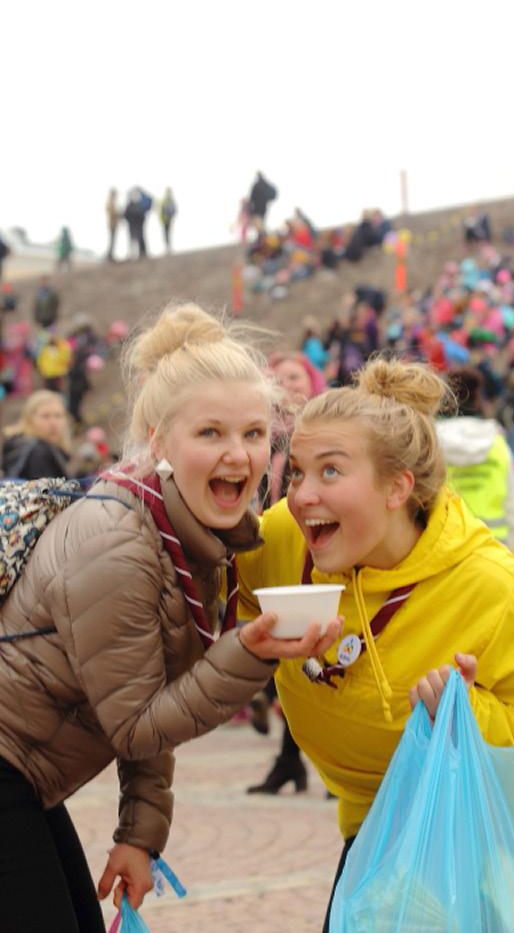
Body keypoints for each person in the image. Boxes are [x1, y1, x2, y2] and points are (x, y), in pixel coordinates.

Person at [0, 303, 342, 933]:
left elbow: (150, 693)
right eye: (210, 434)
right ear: (159, 440)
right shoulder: (120, 544)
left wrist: (139, 835)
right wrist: (251, 652)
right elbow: (138, 725)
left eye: (253, 433)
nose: (238, 455)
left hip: (24, 774)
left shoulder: (182, 526)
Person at [237, 359, 514, 930]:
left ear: (397, 486)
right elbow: (212, 597)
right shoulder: (281, 538)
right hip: (383, 807)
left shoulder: (490, 585)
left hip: (507, 810)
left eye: (330, 472)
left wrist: (465, 712)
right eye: (298, 472)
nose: (302, 496)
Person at [247, 350, 328, 787]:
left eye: (294, 376)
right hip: (274, 547)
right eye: (277, 378)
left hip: (317, 545)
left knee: (317, 652)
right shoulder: (263, 434)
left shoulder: (327, 427)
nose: (287, 384)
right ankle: (291, 760)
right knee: (289, 658)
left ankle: (319, 764)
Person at [436, 365, 514, 549]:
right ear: (478, 400)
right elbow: (512, 502)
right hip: (495, 545)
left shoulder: (432, 444)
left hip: (447, 545)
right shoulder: (497, 443)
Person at [1, 390, 73, 479]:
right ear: (30, 419)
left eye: (58, 416)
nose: (53, 423)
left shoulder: (18, 446)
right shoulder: (38, 452)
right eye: (45, 416)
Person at [159, 188, 177, 253]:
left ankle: (168, 247)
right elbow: (161, 210)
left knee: (167, 233)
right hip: (165, 220)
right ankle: (168, 247)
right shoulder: (167, 200)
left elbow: (174, 210)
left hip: (168, 220)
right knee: (167, 233)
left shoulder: (169, 200)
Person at [105, 188, 121, 261]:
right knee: (112, 240)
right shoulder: (111, 202)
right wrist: (118, 214)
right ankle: (110, 255)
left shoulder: (112, 202)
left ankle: (111, 255)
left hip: (113, 224)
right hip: (112, 224)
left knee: (113, 240)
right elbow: (112, 212)